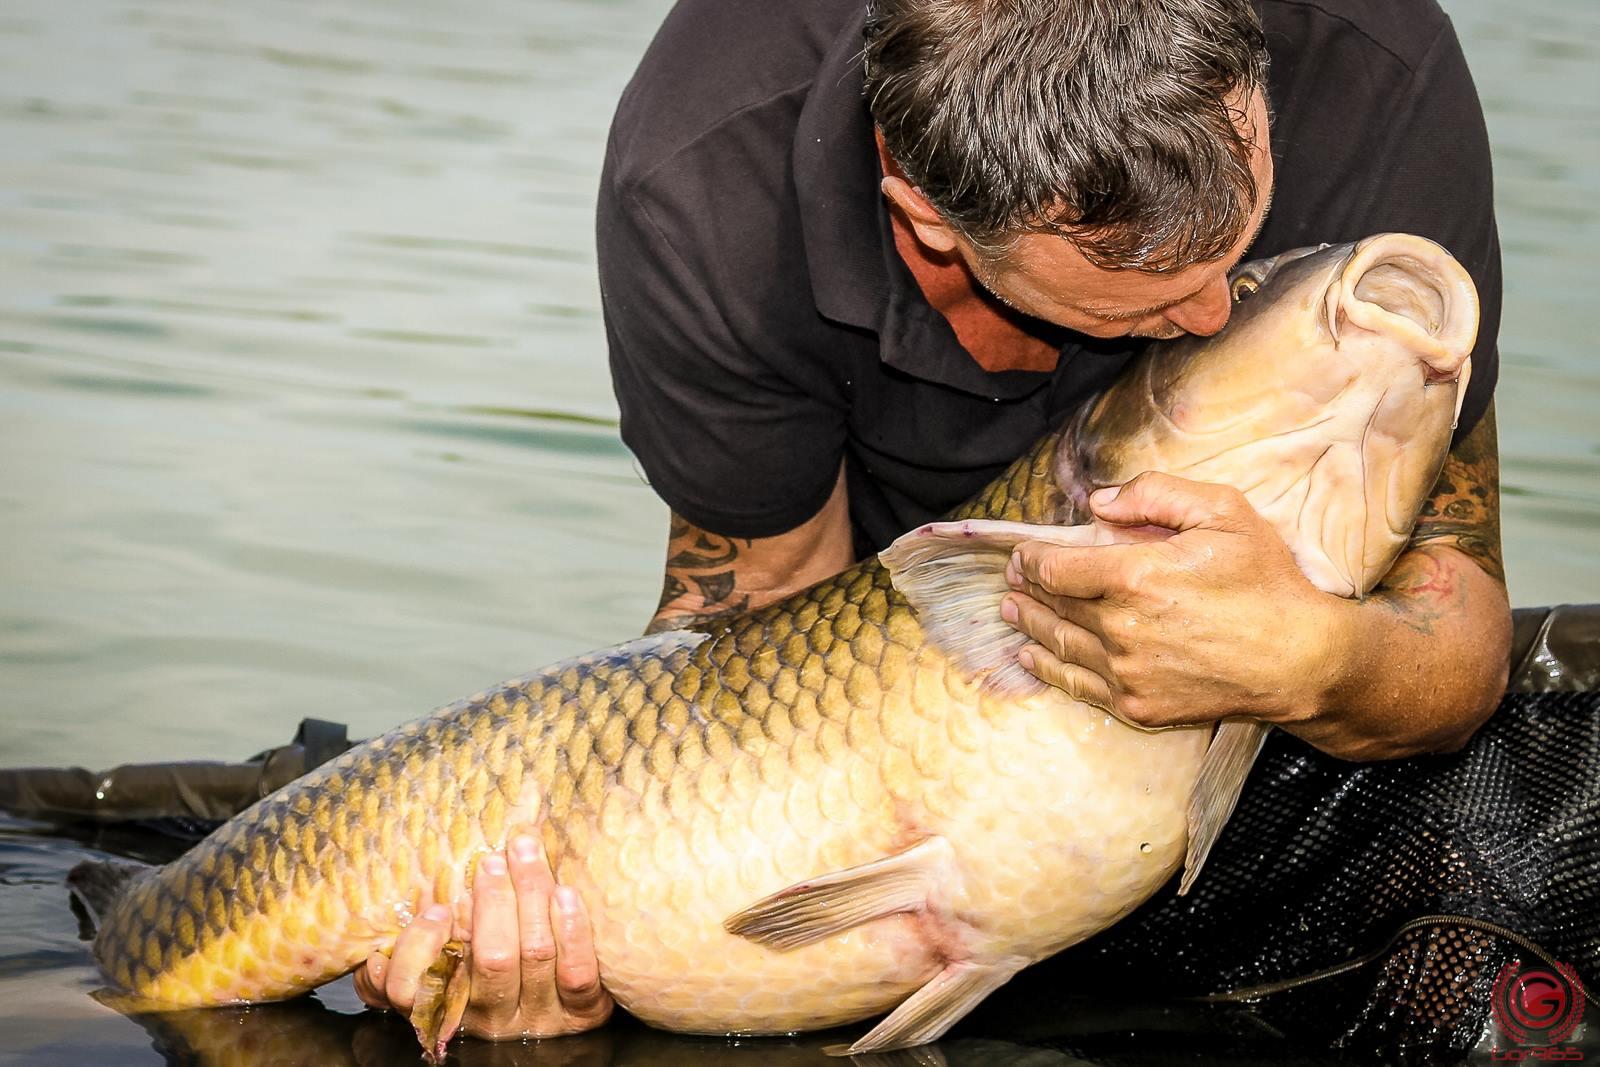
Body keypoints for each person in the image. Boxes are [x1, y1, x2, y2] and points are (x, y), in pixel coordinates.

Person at [356, 0, 1513, 1039]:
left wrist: (1307, 656)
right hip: (884, 672)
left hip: (1274, 651)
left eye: (1240, 262)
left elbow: (1456, 638)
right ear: (926, 219)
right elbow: (741, 620)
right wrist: (582, 924)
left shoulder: (1376, 71)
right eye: (1155, 294)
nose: (1214, 310)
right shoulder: (710, 183)